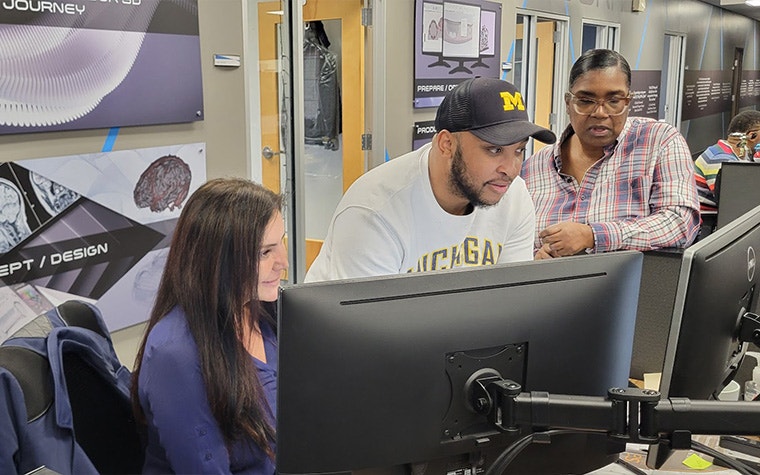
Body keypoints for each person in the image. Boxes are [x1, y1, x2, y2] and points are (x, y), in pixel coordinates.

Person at [305, 77, 556, 282]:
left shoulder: (513, 195)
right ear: (446, 144)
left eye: (519, 150)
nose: (511, 170)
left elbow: (508, 300)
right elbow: (368, 332)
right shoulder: (374, 211)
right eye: (494, 150)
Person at [130, 178, 287, 474]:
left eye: (281, 242)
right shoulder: (175, 355)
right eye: (265, 252)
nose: (284, 262)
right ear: (220, 261)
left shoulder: (267, 312)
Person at [521, 49, 700, 259]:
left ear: (628, 102)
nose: (600, 112)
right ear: (568, 103)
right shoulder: (533, 169)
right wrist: (535, 258)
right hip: (553, 289)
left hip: (635, 290)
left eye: (613, 101)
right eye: (586, 101)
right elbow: (513, 242)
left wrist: (593, 236)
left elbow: (680, 223)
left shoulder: (658, 141)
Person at [694, 110, 760, 211]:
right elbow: (733, 201)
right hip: (709, 221)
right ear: (752, 136)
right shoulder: (719, 159)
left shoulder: (738, 154)